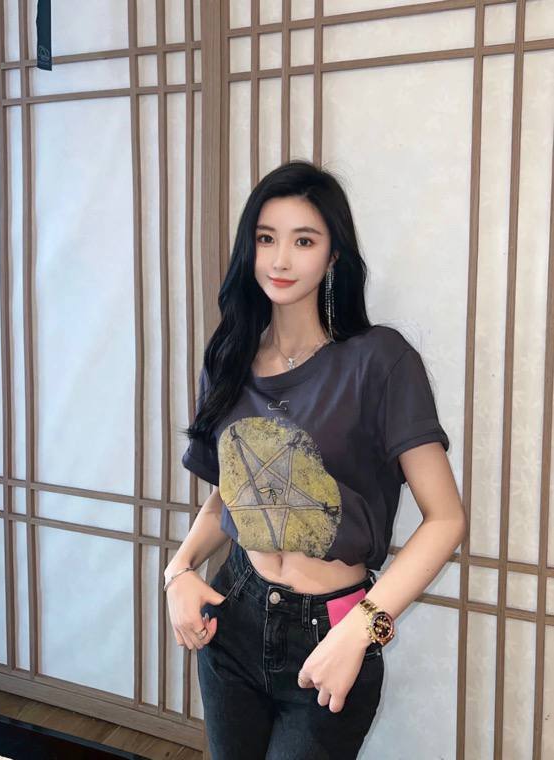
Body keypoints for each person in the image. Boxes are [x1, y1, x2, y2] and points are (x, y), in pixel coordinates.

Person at [164, 160, 467, 759]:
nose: (280, 260)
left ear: (333, 257)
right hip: (234, 614)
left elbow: (446, 519)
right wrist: (178, 571)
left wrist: (362, 629)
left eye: (303, 241)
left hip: (332, 628)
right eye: (266, 238)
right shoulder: (228, 358)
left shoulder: (380, 361)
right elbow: (231, 493)